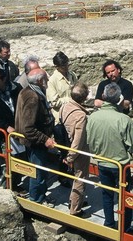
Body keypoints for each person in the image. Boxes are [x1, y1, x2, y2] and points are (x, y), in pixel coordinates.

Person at [87, 83, 133, 235]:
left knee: (107, 194)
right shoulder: (124, 119)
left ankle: (109, 223)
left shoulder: (93, 117)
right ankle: (125, 227)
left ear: (103, 97)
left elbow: (90, 140)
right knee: (124, 195)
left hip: (102, 162)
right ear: (119, 99)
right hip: (121, 165)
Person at [15, 67, 56, 206]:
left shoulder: (28, 91)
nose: (48, 80)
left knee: (39, 171)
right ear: (39, 80)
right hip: (36, 143)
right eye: (45, 78)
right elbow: (28, 128)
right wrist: (45, 139)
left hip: (35, 142)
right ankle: (37, 199)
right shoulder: (32, 97)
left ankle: (40, 195)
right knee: (38, 173)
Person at [59, 82, 90, 217]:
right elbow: (78, 140)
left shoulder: (64, 106)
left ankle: (74, 200)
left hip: (66, 146)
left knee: (75, 178)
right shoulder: (81, 116)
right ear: (84, 98)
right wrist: (71, 157)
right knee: (80, 179)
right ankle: (75, 209)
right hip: (78, 152)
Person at [46, 51, 78, 117]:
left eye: (67, 65)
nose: (66, 68)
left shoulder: (72, 75)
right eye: (63, 66)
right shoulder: (52, 81)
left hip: (74, 112)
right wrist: (70, 100)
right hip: (61, 116)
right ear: (56, 67)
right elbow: (53, 102)